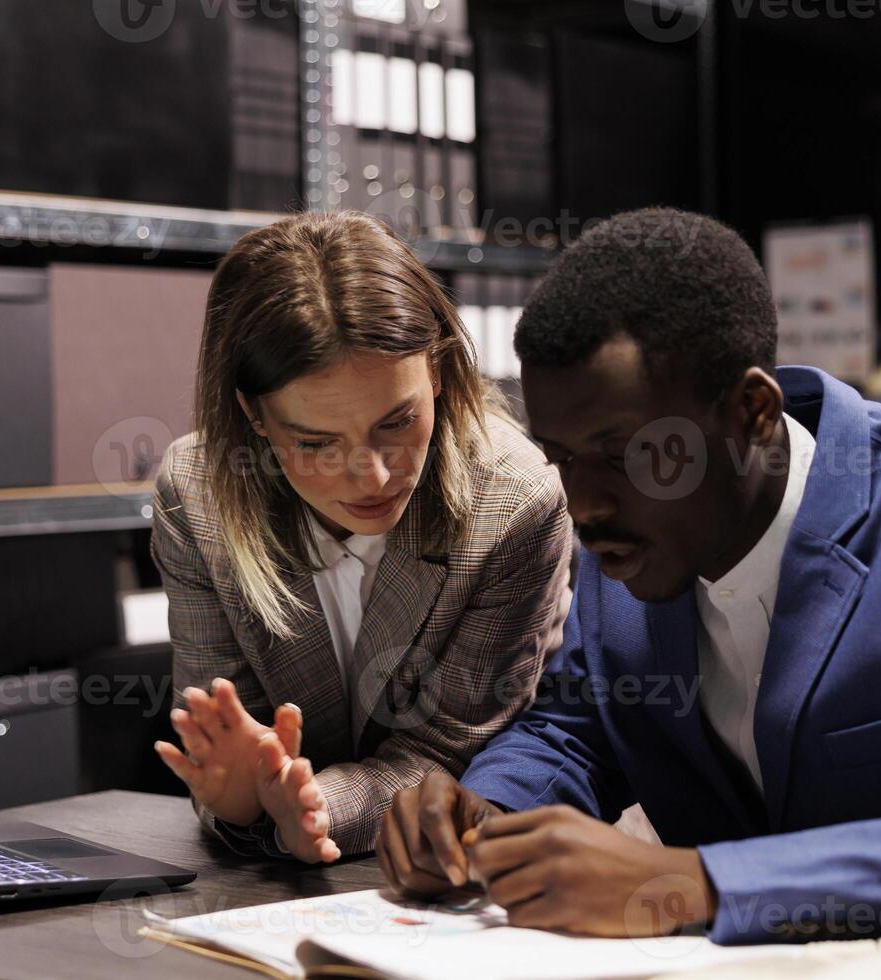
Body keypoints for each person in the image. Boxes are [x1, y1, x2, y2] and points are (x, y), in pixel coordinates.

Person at [376, 208, 881, 942]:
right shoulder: (629, 533)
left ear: (753, 414)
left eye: (623, 454)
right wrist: (487, 807)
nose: (582, 502)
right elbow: (577, 730)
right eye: (561, 457)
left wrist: (703, 883)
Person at [151, 211, 573, 862]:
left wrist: (315, 807)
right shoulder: (198, 494)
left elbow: (447, 756)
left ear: (437, 371)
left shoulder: (514, 504)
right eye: (316, 443)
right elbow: (226, 745)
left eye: (397, 423)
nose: (373, 475)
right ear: (252, 414)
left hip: (465, 864)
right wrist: (240, 800)